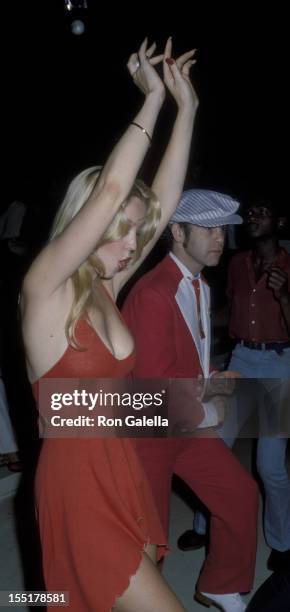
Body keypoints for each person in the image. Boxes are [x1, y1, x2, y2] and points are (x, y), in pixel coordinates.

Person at [21, 37, 199, 612]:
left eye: (134, 233)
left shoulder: (107, 284)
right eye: (115, 230)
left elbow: (163, 203)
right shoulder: (44, 288)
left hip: (118, 468)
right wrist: (150, 98)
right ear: (84, 219)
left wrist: (187, 109)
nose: (129, 247)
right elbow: (116, 189)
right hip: (76, 487)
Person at [122, 189, 258, 612]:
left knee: (240, 495)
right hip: (150, 433)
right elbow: (153, 391)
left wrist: (212, 378)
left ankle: (220, 583)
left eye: (223, 229)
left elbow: (186, 363)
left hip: (186, 424)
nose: (219, 238)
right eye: (208, 228)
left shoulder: (198, 284)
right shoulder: (153, 294)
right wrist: (211, 408)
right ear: (177, 232)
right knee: (150, 538)